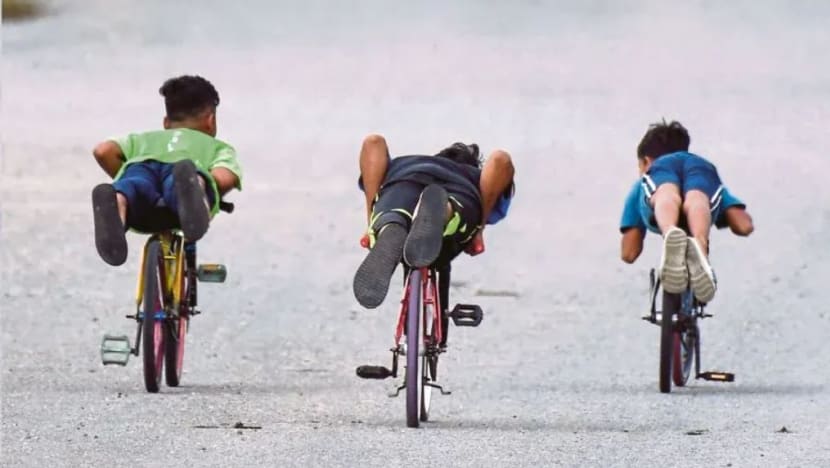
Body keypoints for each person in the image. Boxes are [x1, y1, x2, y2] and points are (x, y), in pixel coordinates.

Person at [90, 75, 242, 266]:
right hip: (183, 169)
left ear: (166, 122)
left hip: (142, 163)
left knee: (134, 184)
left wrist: (123, 176)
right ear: (211, 121)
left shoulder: (144, 140)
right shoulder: (216, 147)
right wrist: (211, 189)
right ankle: (195, 187)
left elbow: (103, 151)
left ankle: (120, 202)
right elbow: (223, 177)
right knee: (182, 183)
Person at [353, 134, 516, 309]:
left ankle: (388, 224)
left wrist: (371, 219)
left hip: (403, 182)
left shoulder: (402, 164)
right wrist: (479, 230)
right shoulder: (475, 177)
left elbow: (373, 143)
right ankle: (444, 211)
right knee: (454, 213)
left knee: (394, 212)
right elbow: (501, 160)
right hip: (460, 190)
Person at [619, 120, 753, 303]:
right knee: (698, 198)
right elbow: (743, 225)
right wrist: (729, 219)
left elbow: (629, 252)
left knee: (665, 193)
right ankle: (700, 246)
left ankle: (670, 235)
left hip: (663, 187)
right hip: (701, 169)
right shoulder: (695, 164)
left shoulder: (646, 180)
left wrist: (637, 224)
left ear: (646, 162)